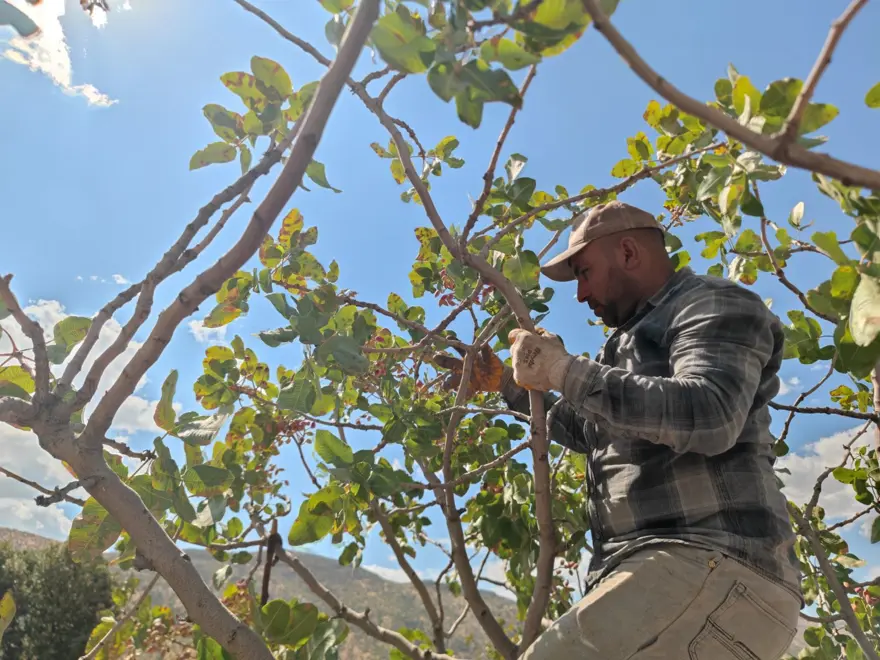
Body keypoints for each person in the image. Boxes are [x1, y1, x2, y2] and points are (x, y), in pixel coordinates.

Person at [437, 200, 803, 659]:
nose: (580, 294)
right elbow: (588, 432)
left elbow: (710, 413)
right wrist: (507, 385)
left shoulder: (710, 303)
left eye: (585, 272)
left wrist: (562, 370)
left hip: (712, 564)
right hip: (693, 581)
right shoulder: (628, 343)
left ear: (628, 252)